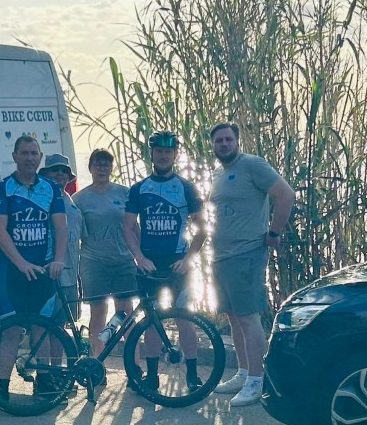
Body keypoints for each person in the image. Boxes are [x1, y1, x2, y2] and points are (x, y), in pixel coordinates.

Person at [208, 122, 295, 407]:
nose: (224, 144)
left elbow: (286, 194)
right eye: (218, 141)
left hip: (246, 254)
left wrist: (274, 232)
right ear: (213, 145)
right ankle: (244, 372)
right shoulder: (220, 173)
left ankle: (257, 381)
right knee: (233, 317)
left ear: (236, 141)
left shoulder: (252, 165)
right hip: (221, 256)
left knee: (248, 317)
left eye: (228, 139)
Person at [0, 136, 68, 412]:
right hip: (13, 272)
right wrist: (20, 263)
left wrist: (58, 259)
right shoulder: (2, 189)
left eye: (34, 153)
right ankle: (2, 389)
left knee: (41, 328)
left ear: (40, 157)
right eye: (25, 153)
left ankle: (43, 383)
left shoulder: (50, 188)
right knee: (11, 331)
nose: (30, 158)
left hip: (42, 270)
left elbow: (61, 227)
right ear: (15, 156)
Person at [123, 131, 208, 392]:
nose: (163, 156)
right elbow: (127, 227)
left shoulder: (186, 187)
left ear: (175, 155)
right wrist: (139, 257)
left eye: (167, 152)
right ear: (152, 154)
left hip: (177, 264)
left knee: (185, 319)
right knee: (152, 321)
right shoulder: (139, 188)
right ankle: (152, 376)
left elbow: (202, 229)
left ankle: (192, 375)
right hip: (149, 264)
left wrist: (188, 259)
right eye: (158, 151)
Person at [73, 148, 139, 359]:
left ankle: (134, 365)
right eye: (97, 164)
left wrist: (142, 255)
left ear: (112, 168)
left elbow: (134, 227)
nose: (102, 168)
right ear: (90, 168)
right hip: (94, 262)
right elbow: (74, 233)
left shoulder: (124, 193)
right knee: (98, 311)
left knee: (125, 311)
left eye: (106, 164)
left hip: (124, 260)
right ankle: (97, 362)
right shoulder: (79, 199)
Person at [38, 153, 82, 323]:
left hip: (71, 273)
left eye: (64, 171)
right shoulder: (42, 199)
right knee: (47, 324)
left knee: (63, 324)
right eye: (55, 170)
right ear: (46, 174)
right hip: (53, 273)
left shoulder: (70, 200)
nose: (60, 174)